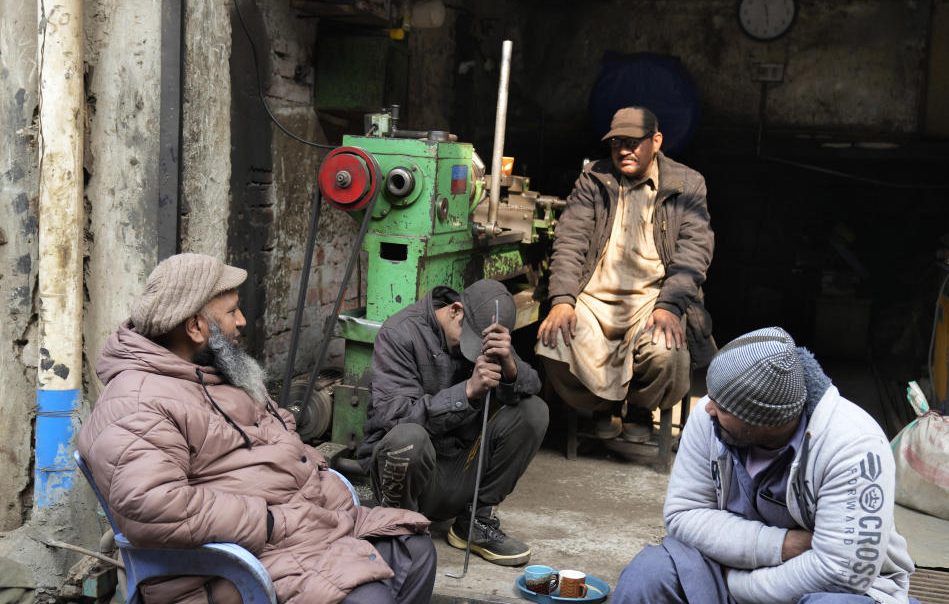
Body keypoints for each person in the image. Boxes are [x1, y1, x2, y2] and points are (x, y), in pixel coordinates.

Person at [77, 253, 435, 604]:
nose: (243, 320)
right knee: (368, 598)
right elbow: (151, 503)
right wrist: (269, 522)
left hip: (310, 524)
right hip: (229, 562)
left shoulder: (221, 372)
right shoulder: (136, 401)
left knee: (415, 551)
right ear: (195, 327)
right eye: (231, 311)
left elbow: (277, 433)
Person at [611, 327, 918, 604]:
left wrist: (743, 586)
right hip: (727, 565)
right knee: (649, 575)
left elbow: (840, 571)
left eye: (723, 405)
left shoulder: (854, 444)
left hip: (822, 588)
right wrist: (780, 545)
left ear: (762, 421)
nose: (708, 407)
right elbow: (683, 514)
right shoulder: (710, 420)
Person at [536, 106, 715, 442]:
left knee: (667, 353)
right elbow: (570, 240)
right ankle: (601, 405)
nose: (623, 150)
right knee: (554, 341)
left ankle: (638, 407)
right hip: (594, 298)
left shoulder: (687, 183)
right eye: (617, 142)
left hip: (653, 300)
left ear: (656, 141)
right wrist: (562, 299)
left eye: (634, 142)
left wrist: (670, 306)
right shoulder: (594, 177)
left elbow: (695, 252)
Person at [358, 279, 548, 567]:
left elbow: (531, 384)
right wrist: (467, 392)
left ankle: (473, 521)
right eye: (467, 340)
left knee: (533, 411)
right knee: (407, 438)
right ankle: (397, 530)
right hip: (413, 476)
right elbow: (394, 416)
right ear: (455, 310)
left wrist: (511, 369)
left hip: (460, 470)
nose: (467, 352)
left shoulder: (485, 329)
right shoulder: (399, 333)